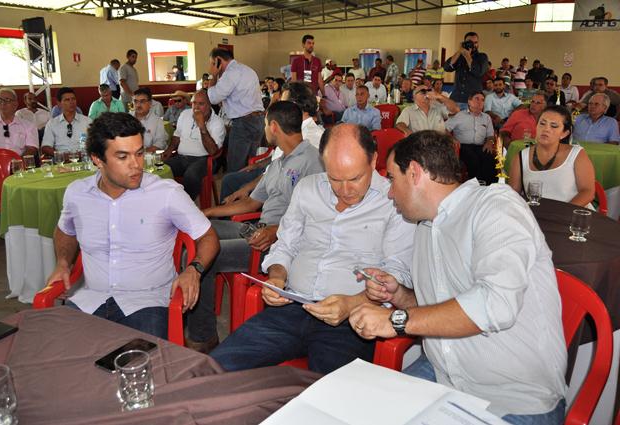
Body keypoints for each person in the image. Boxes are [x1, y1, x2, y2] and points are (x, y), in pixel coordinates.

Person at [349, 130, 568, 423]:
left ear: (414, 173)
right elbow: (440, 308)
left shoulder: (496, 207)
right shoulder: (425, 227)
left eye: (391, 179)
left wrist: (395, 321)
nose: (390, 192)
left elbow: (495, 304)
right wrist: (399, 295)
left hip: (511, 399)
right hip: (444, 378)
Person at [210, 123, 415, 374]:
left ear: (373, 160)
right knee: (215, 367)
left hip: (352, 322)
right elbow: (285, 245)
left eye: (355, 178)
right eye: (334, 179)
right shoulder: (308, 189)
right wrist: (277, 276)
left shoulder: (395, 201)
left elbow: (397, 274)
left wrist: (352, 303)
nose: (345, 190)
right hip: (293, 307)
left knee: (327, 393)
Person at [45, 112, 220, 339]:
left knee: (143, 359)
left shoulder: (166, 193)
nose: (136, 165)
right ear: (97, 159)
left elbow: (208, 236)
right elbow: (65, 231)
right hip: (91, 300)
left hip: (148, 303)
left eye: (139, 153)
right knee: (56, 352)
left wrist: (193, 269)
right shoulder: (77, 193)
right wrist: (62, 262)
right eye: (122, 157)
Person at [188, 101, 324, 352]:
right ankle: (194, 314)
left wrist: (276, 231)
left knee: (205, 255)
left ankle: (203, 336)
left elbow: (317, 217)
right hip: (258, 229)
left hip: (276, 244)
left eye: (265, 124)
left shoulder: (312, 161)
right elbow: (251, 203)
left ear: (274, 126)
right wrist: (206, 212)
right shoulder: (278, 162)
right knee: (201, 233)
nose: (264, 129)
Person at [220, 82, 323, 204]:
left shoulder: (311, 137)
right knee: (229, 179)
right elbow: (279, 157)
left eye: (282, 103)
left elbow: (286, 177)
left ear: (294, 106)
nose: (279, 107)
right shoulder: (293, 127)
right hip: (270, 171)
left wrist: (249, 187)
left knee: (232, 185)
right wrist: (259, 164)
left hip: (281, 184)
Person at [509, 105, 595, 207]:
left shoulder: (576, 154)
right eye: (542, 123)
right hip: (534, 214)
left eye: (554, 126)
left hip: (572, 212)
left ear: (564, 133)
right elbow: (513, 194)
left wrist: (562, 213)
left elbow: (587, 192)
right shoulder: (521, 157)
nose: (546, 129)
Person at [207, 47, 265, 172]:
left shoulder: (230, 73)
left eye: (212, 63)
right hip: (258, 120)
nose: (211, 67)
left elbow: (213, 98)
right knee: (250, 164)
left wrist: (213, 75)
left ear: (218, 60)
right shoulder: (247, 69)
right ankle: (247, 185)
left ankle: (234, 185)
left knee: (235, 166)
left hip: (244, 123)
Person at [163, 90, 225, 202]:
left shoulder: (217, 122)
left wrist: (202, 127)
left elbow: (213, 152)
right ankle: (167, 202)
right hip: (181, 158)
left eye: (201, 104)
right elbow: (177, 136)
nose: (196, 107)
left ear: (209, 104)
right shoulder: (185, 114)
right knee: (161, 169)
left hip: (204, 160)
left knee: (191, 175)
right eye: (194, 103)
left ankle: (185, 204)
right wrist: (169, 150)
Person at [445, 91, 496, 183]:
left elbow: (490, 135)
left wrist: (490, 142)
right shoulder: (459, 115)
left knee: (489, 159)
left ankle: (489, 186)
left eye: (482, 100)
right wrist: (452, 139)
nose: (480, 102)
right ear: (469, 101)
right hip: (463, 146)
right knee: (473, 159)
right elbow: (445, 129)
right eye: (477, 99)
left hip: (481, 146)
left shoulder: (486, 117)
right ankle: (475, 185)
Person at [0, 88, 38, 156]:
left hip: (19, 161)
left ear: (15, 104)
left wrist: (18, 161)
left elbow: (31, 149)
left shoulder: (28, 126)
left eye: (7, 100)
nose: (3, 103)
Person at [443, 31, 489, 109]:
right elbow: (447, 67)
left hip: (473, 101)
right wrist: (459, 51)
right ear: (464, 42)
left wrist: (467, 56)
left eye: (475, 42)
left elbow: (479, 72)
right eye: (470, 42)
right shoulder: (459, 57)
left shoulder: (482, 57)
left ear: (478, 44)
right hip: (456, 99)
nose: (473, 45)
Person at [41, 87, 91, 156]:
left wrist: (83, 154)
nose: (71, 102)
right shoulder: (52, 123)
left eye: (73, 99)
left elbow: (96, 143)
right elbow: (46, 147)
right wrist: (62, 156)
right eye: (67, 100)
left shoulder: (87, 121)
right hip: (60, 159)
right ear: (59, 103)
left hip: (83, 158)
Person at [395, 85, 459, 136]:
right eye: (423, 91)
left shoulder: (438, 108)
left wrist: (440, 96)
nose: (427, 94)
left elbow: (456, 110)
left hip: (438, 144)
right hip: (419, 144)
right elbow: (400, 124)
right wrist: (406, 130)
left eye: (428, 91)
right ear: (414, 97)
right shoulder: (409, 110)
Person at [130, 87, 168, 152]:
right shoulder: (127, 118)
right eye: (136, 101)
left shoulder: (157, 121)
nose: (138, 105)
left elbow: (161, 142)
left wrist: (144, 152)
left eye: (142, 101)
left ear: (150, 104)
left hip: (148, 154)